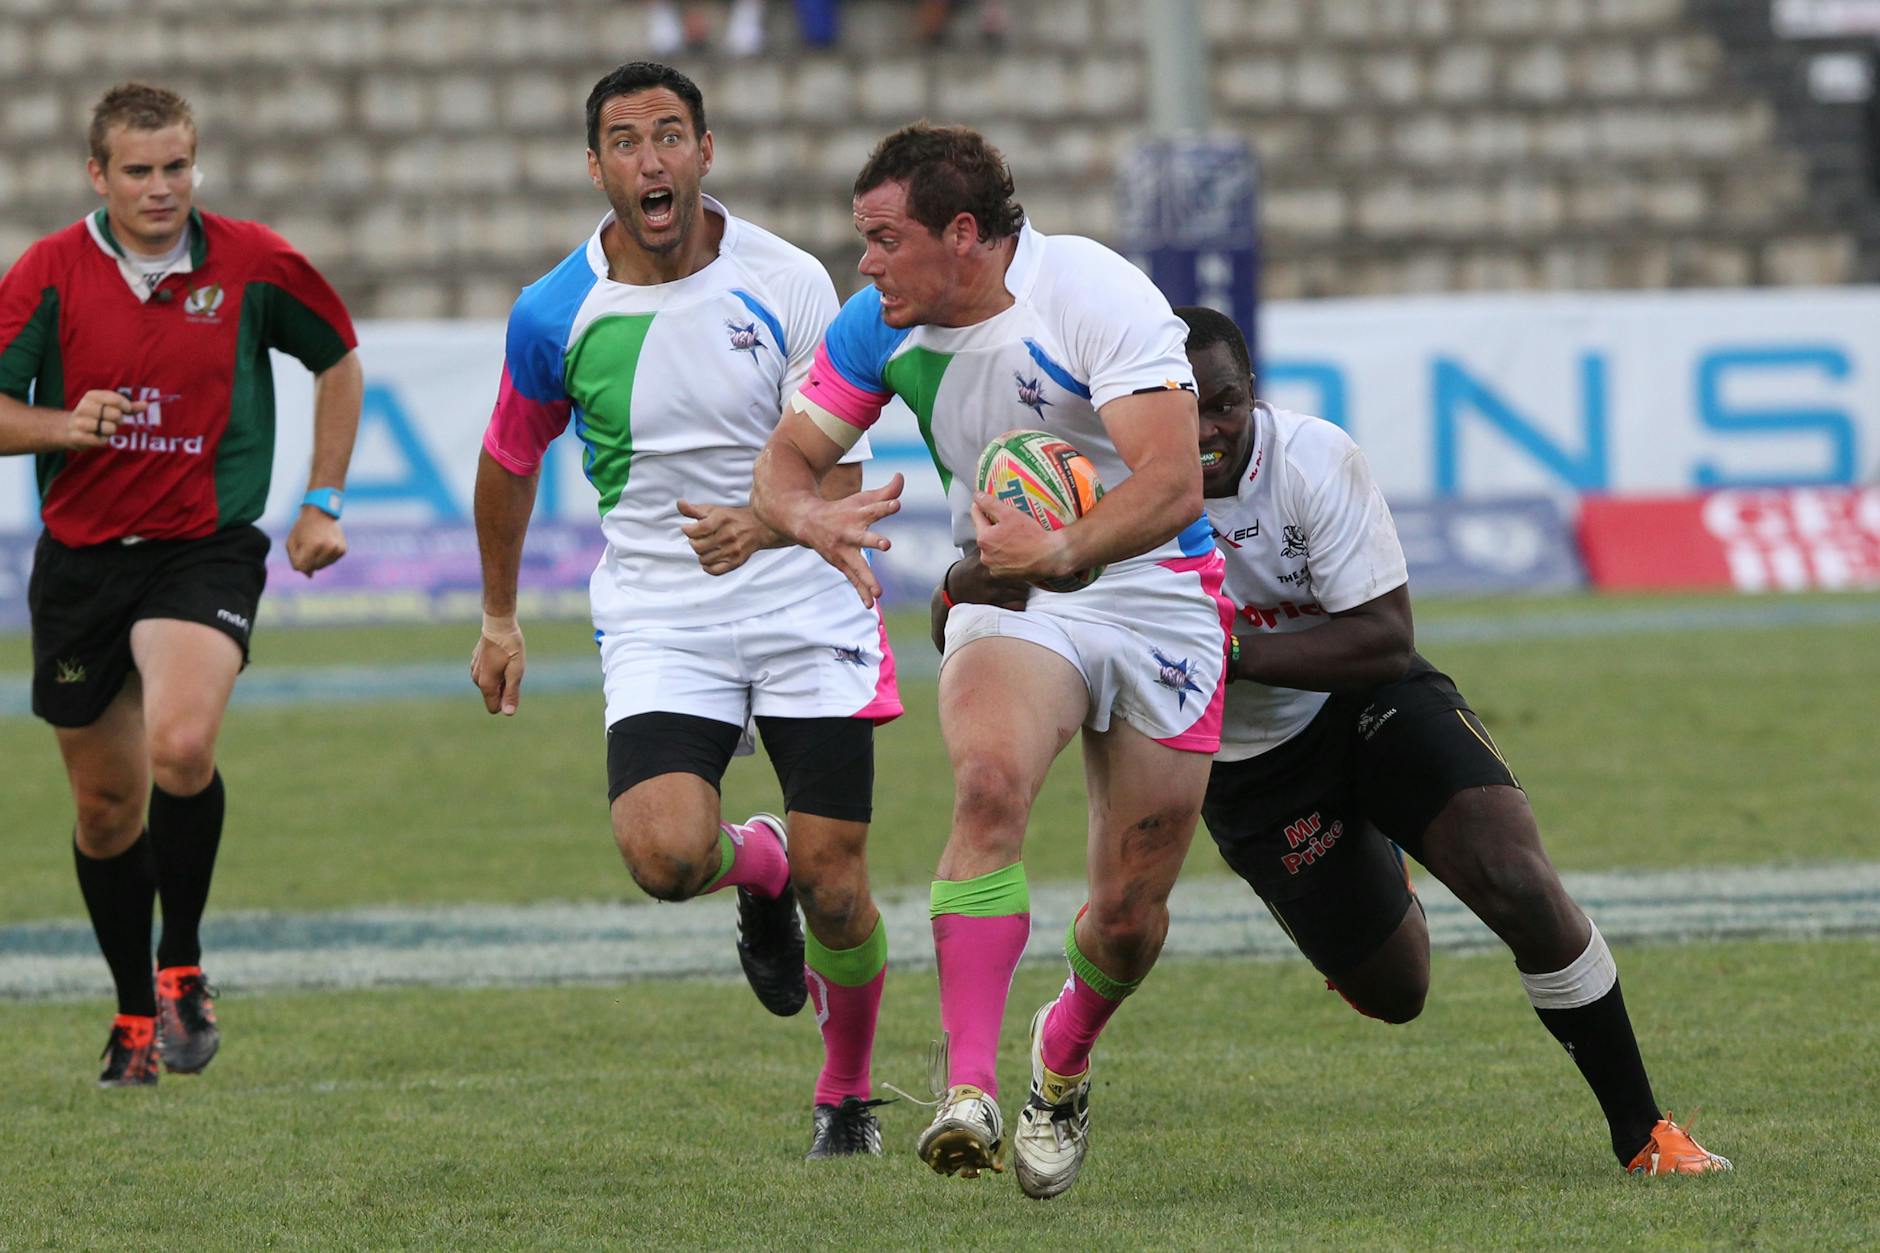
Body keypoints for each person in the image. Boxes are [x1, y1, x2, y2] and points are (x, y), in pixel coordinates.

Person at [752, 123, 1228, 1200]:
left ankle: (1059, 1064)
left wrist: (1063, 546)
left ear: (961, 235)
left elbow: (1169, 484)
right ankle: (964, 1087)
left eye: (883, 238)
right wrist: (806, 517)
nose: (864, 264)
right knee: (984, 786)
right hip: (1012, 589)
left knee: (1127, 910)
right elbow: (784, 463)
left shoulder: (1091, 294)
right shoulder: (877, 326)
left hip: (1153, 592)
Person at [1170, 304, 1729, 1176]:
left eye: (1226, 403)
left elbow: (1386, 639)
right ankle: (1378, 853)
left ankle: (1644, 1135)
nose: (1208, 428)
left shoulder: (1314, 458)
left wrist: (1234, 649)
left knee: (1517, 879)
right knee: (1398, 991)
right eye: (1186, 408)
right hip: (1252, 769)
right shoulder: (1119, 489)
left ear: (1254, 394)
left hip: (1365, 700)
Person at [470, 62, 902, 1160]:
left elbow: (840, 478)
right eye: (625, 141)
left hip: (808, 591)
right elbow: (509, 458)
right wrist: (499, 617)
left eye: (669, 135)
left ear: (704, 153)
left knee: (838, 885)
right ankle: (752, 866)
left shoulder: (792, 281)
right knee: (664, 857)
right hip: (665, 610)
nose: (650, 159)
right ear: (596, 168)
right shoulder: (554, 312)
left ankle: (845, 1091)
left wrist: (766, 525)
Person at [0, 83, 363, 1087]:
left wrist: (321, 497)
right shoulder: (50, 273)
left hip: (202, 547)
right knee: (108, 810)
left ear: (194, 165)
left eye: (176, 167)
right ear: (97, 175)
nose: (161, 188)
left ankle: (183, 963)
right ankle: (129, 1012)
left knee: (183, 743)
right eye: (138, 171)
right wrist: (59, 424)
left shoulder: (252, 262)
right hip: (78, 564)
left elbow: (337, 360)